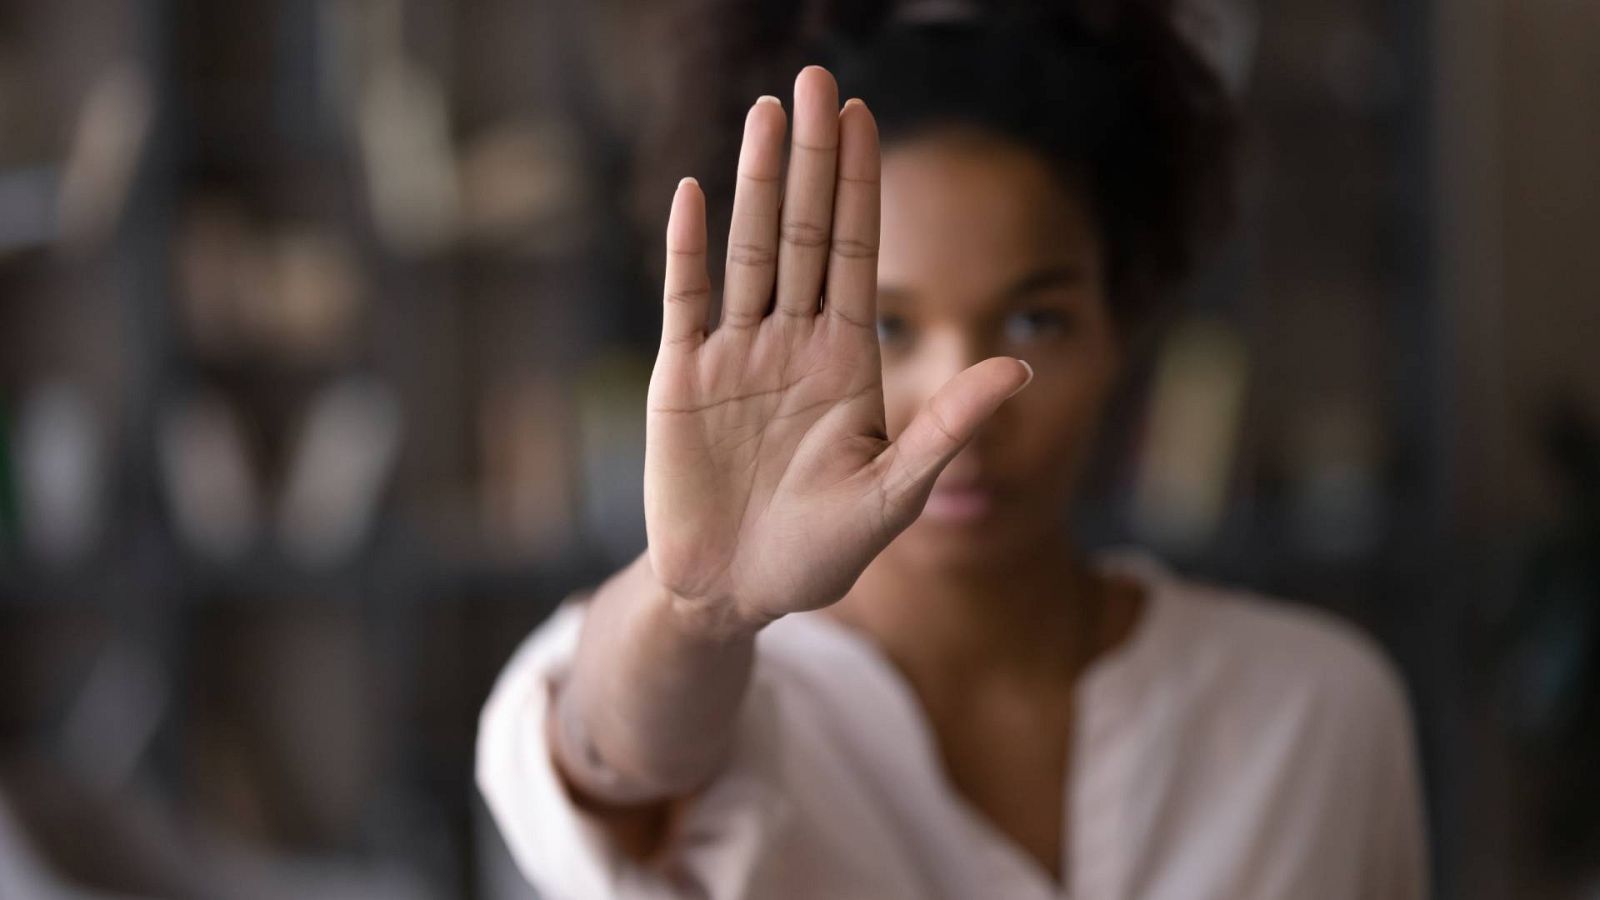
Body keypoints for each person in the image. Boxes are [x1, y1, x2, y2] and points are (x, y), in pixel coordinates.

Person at [477, 2, 1428, 897]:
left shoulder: (1317, 716)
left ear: (1122, 329)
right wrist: (696, 606)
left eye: (1035, 318)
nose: (960, 406)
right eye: (887, 327)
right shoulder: (693, 667)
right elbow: (612, 752)